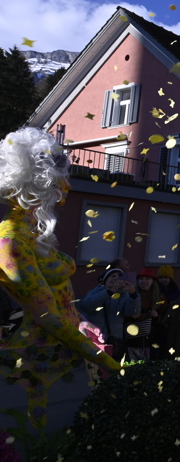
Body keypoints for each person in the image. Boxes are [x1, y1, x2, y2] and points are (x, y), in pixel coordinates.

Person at [0, 128, 121, 429]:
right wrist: (108, 364)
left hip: (62, 359)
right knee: (42, 444)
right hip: (32, 370)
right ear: (36, 183)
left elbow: (57, 304)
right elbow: (45, 316)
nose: (67, 186)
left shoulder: (31, 237)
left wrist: (80, 321)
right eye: (60, 179)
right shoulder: (11, 241)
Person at [80, 267, 142, 363]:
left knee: (110, 366)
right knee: (92, 366)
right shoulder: (95, 292)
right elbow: (87, 306)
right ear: (105, 280)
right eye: (113, 276)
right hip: (92, 338)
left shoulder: (124, 296)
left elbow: (131, 312)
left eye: (119, 277)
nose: (116, 279)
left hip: (114, 340)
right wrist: (109, 292)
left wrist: (133, 295)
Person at [124, 267, 161, 361]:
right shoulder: (131, 295)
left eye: (147, 279)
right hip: (133, 337)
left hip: (152, 338)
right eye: (141, 279)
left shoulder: (160, 297)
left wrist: (156, 316)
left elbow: (164, 318)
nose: (143, 281)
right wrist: (131, 315)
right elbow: (123, 313)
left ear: (153, 281)